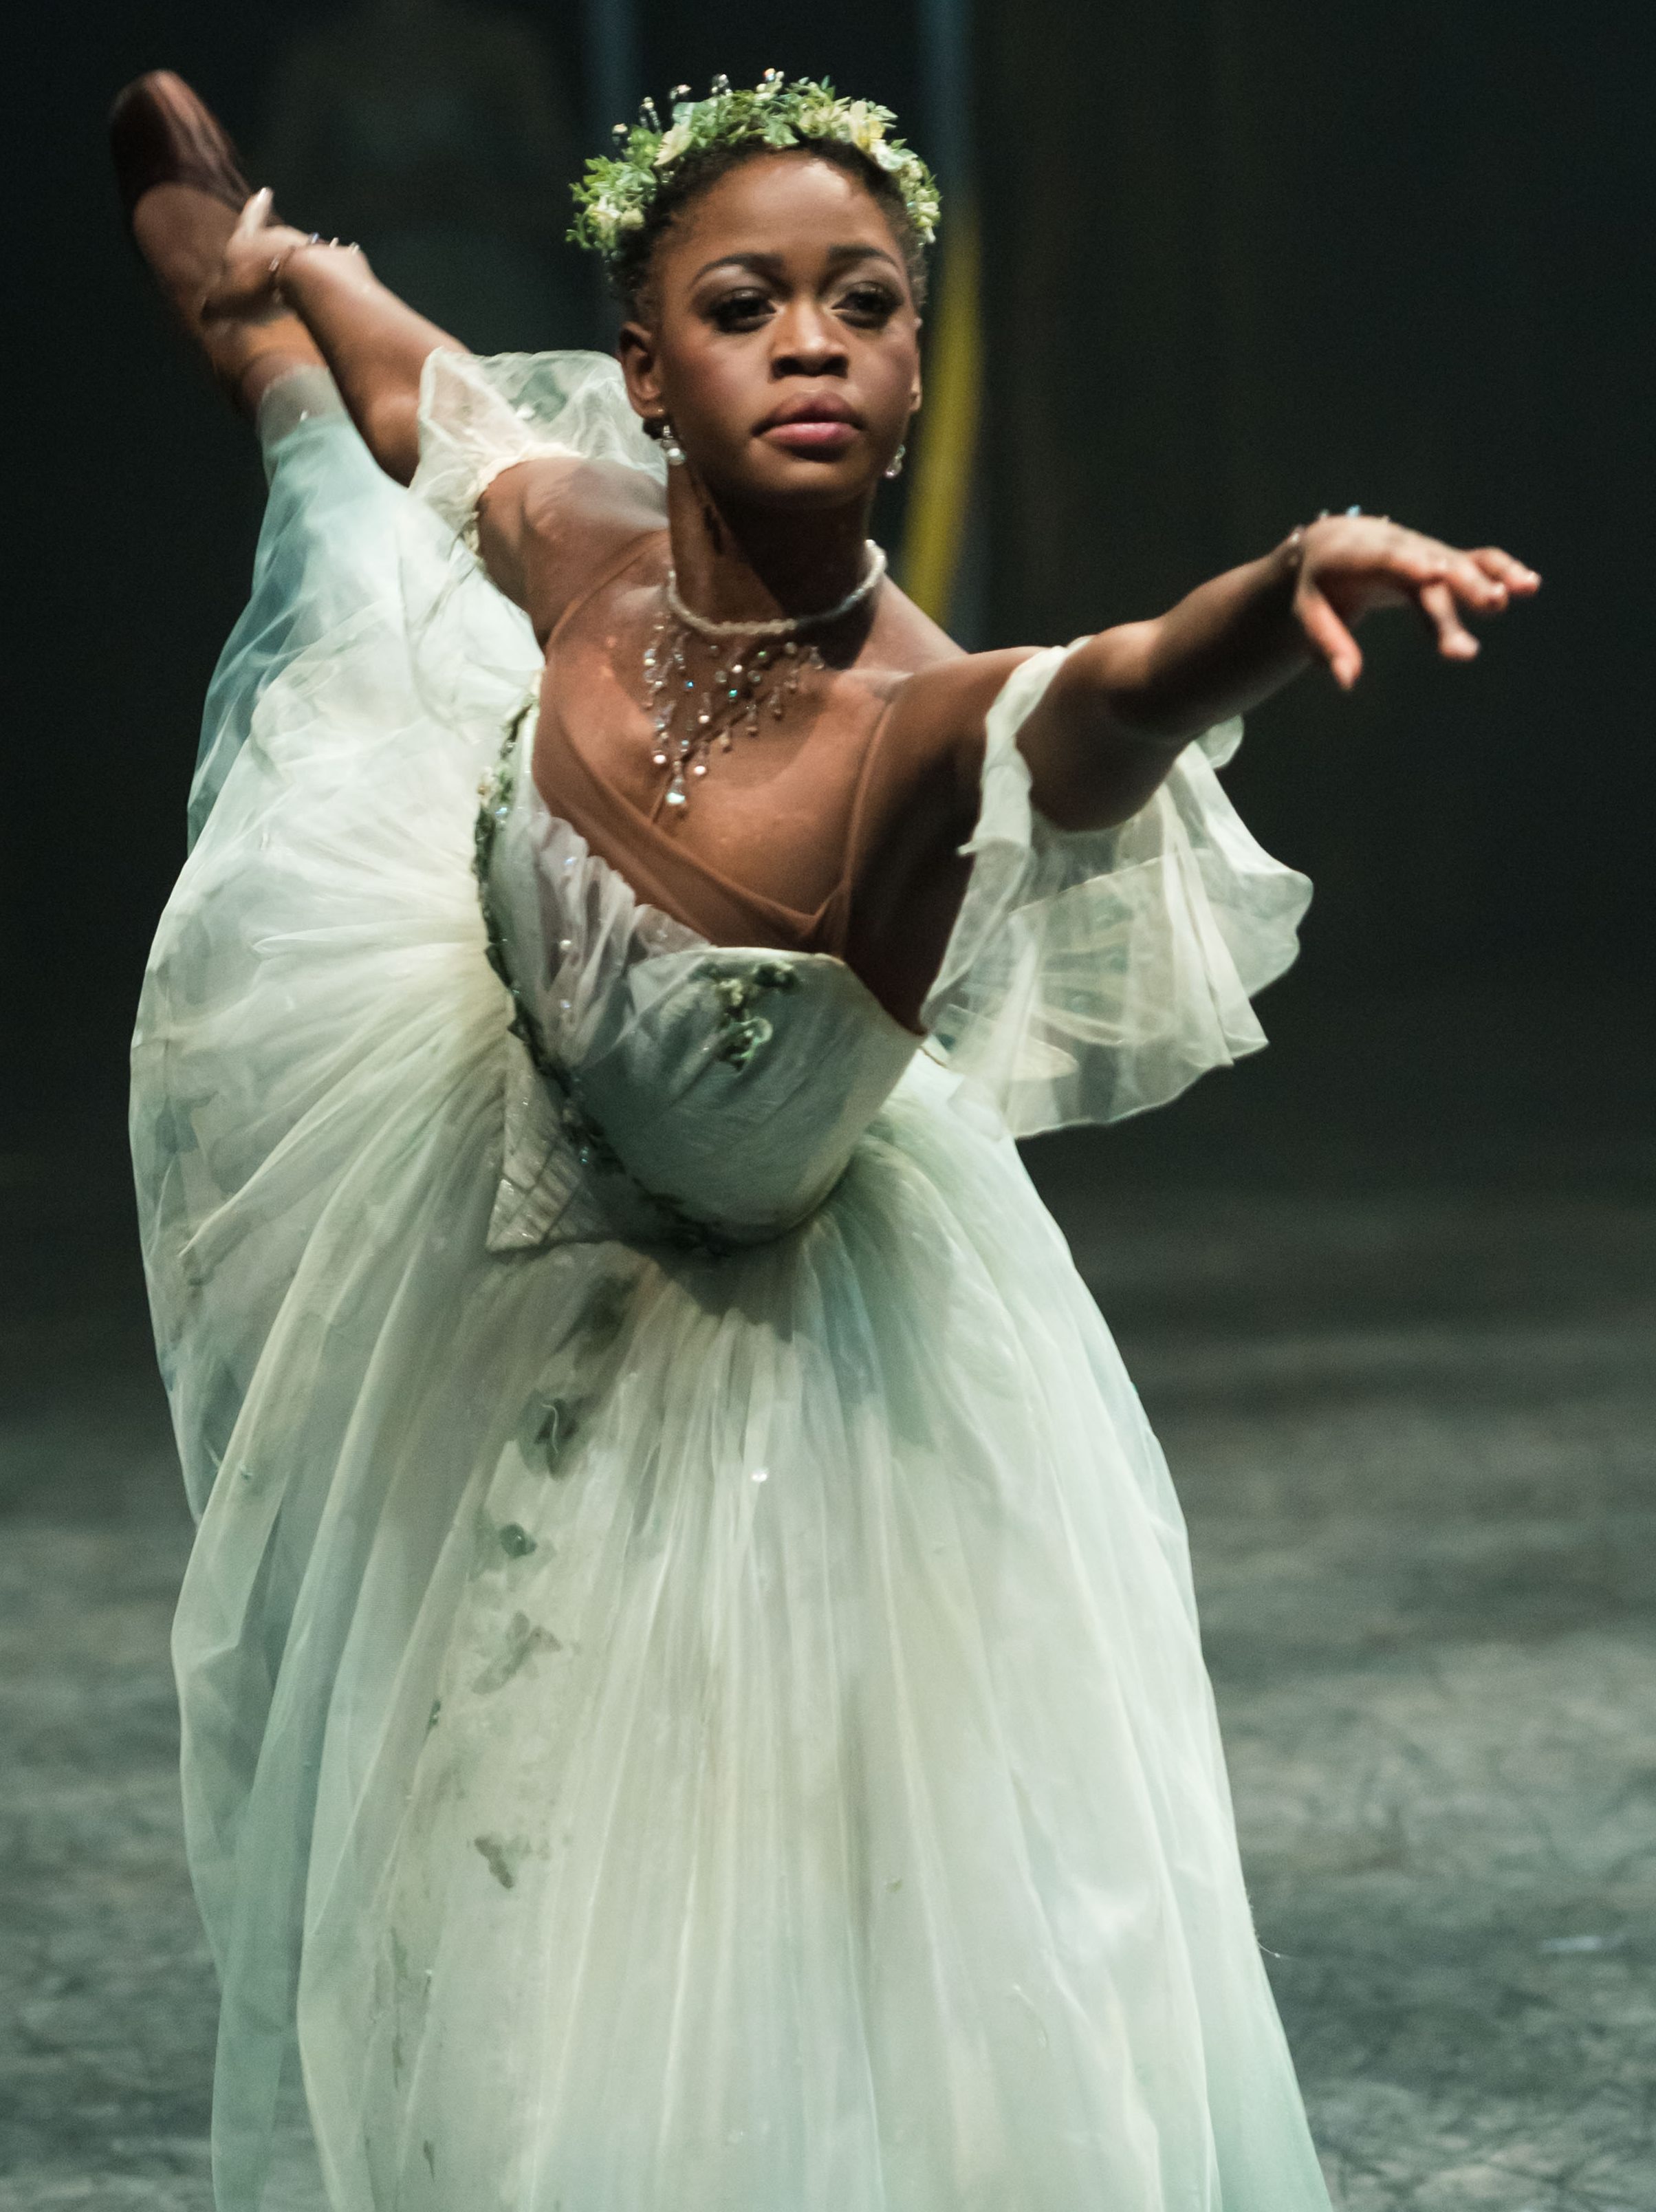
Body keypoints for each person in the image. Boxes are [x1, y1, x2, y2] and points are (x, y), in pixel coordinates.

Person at [111, 67, 1536, 2212]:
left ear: (915, 361)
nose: (811, 342)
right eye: (749, 303)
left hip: (772, 1394)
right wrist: (273, 268)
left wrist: (1284, 581)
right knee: (469, 1863)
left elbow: (1113, 697)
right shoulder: (577, 547)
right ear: (649, 379)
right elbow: (394, 395)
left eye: (863, 304)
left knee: (739, 1946)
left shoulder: (923, 731)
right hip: (494, 1265)